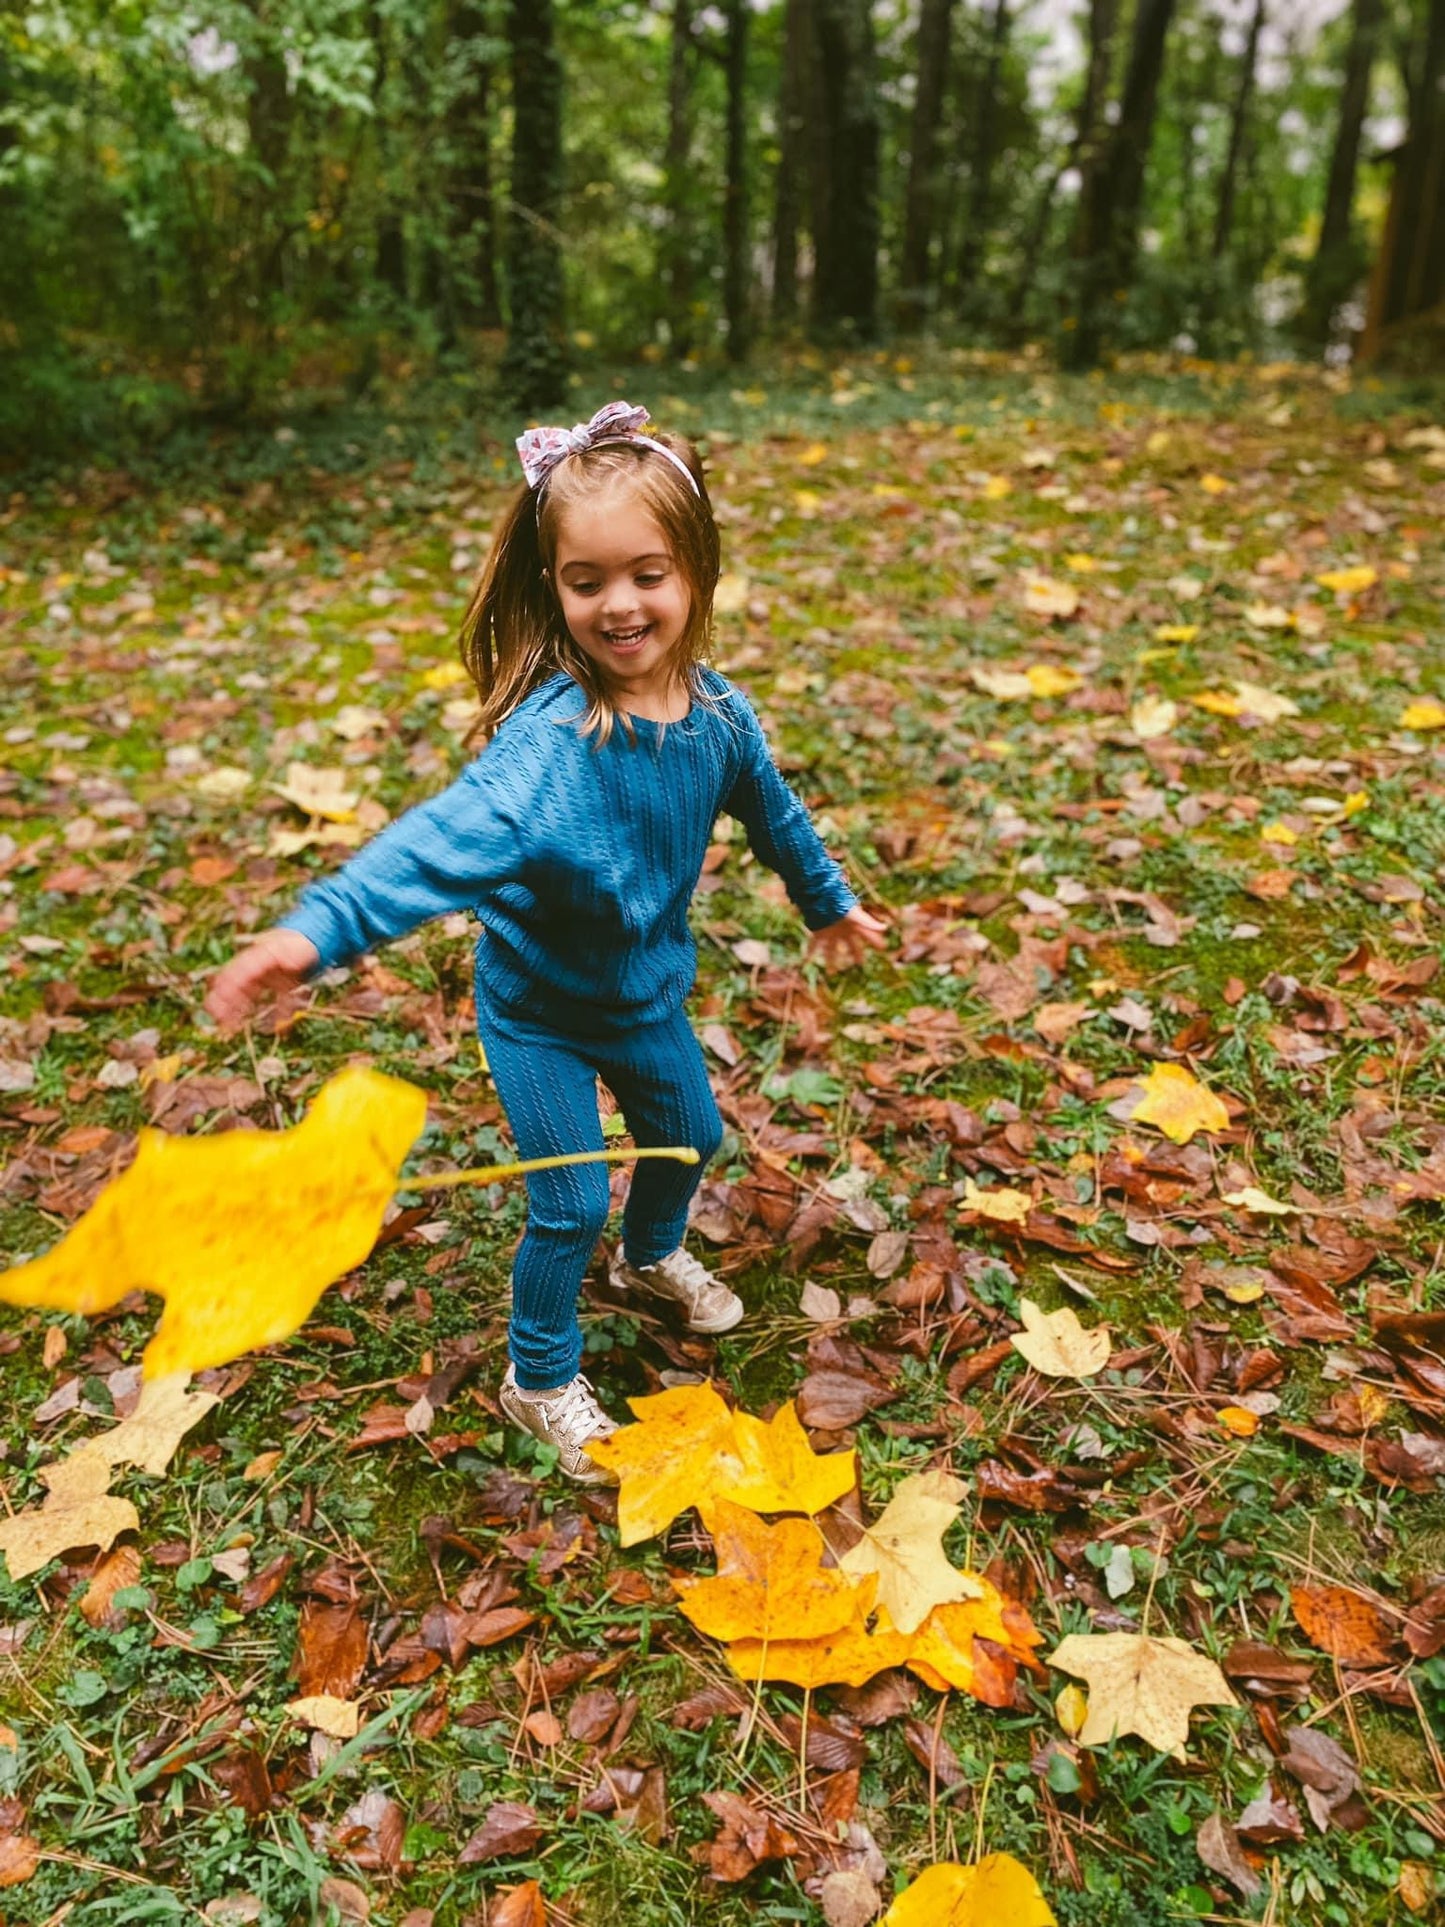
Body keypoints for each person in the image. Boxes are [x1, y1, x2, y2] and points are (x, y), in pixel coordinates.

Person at [205, 401, 886, 1483]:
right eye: (586, 581)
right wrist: (315, 931)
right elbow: (433, 842)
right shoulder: (545, 751)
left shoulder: (719, 719)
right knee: (566, 1200)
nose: (619, 604)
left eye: (647, 573)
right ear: (554, 586)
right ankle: (538, 1374)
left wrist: (825, 900)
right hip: (538, 1013)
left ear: (696, 570)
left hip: (645, 995)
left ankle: (652, 1253)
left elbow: (773, 813)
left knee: (686, 1135)